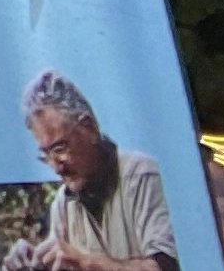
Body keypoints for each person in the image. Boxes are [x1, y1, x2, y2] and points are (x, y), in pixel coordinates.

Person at [16, 69, 180, 271]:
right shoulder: (62, 205)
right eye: (46, 155)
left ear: (90, 128)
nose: (56, 166)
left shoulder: (142, 176)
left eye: (60, 149)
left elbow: (167, 267)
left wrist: (85, 262)